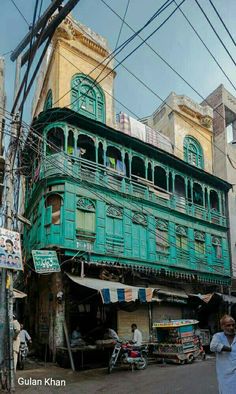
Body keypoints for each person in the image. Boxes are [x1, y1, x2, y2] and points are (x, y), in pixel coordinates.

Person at [210, 314, 236, 394]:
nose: (231, 327)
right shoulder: (218, 336)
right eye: (228, 325)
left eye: (233, 325)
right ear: (222, 326)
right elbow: (213, 346)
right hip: (225, 375)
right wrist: (228, 348)